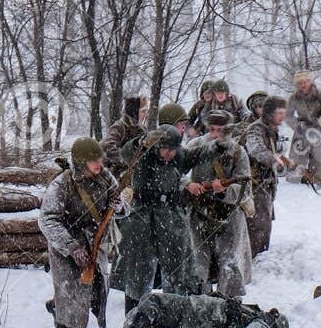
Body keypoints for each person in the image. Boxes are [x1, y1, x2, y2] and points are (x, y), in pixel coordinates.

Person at [39, 137, 118, 328]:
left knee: (96, 289)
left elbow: (121, 203)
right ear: (81, 161)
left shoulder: (105, 178)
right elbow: (47, 219)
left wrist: (118, 206)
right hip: (66, 244)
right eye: (94, 161)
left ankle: (58, 307)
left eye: (99, 160)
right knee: (71, 292)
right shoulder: (61, 183)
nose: (99, 164)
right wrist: (72, 248)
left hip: (94, 241)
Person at [115, 126, 198, 309]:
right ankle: (136, 315)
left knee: (176, 267)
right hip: (141, 215)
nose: (169, 154)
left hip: (170, 214)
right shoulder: (142, 155)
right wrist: (141, 141)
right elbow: (126, 152)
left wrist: (218, 145)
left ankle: (174, 311)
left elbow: (199, 153)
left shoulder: (179, 157)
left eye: (173, 150)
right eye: (165, 149)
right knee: (139, 268)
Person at [183, 109, 251, 299]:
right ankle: (199, 306)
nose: (215, 134)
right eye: (212, 129)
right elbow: (175, 171)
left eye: (220, 130)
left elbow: (245, 189)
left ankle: (227, 308)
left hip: (229, 214)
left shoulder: (238, 152)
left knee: (229, 264)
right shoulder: (195, 146)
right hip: (198, 212)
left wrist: (224, 190)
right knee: (197, 263)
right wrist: (189, 185)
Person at [93, 293, 287, 328]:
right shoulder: (254, 313)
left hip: (195, 312)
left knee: (154, 301)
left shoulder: (264, 324)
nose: (272, 313)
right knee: (150, 308)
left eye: (275, 316)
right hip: (195, 311)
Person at [241, 97, 288, 257]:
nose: (283, 116)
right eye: (279, 113)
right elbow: (255, 150)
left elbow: (278, 149)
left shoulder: (272, 129)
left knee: (264, 223)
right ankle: (255, 261)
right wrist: (273, 158)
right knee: (258, 225)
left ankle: (257, 258)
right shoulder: (256, 129)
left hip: (266, 184)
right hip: (254, 184)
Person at [284, 71, 321, 181]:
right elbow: (287, 116)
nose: (303, 85)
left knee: (320, 155)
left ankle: (318, 178)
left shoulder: (320, 94)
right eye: (300, 82)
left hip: (319, 129)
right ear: (297, 84)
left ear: (310, 81)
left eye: (306, 81)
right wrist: (297, 125)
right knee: (298, 154)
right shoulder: (294, 98)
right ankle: (297, 178)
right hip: (302, 129)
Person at [102, 97, 148, 174]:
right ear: (134, 112)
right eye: (143, 111)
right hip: (117, 173)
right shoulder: (119, 127)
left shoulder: (142, 130)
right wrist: (125, 162)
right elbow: (108, 146)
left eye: (146, 111)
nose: (146, 115)